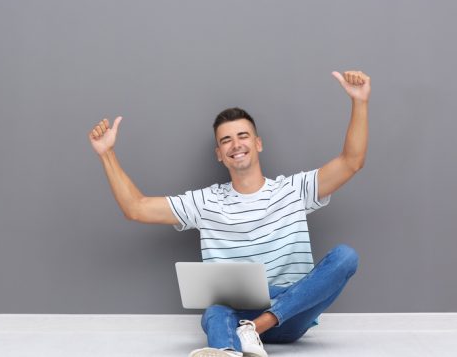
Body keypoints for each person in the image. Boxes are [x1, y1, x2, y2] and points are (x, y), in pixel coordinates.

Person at [88, 71, 370, 357]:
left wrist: (359, 102)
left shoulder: (294, 190)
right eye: (226, 141)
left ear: (258, 143)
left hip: (291, 312)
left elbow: (351, 162)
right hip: (235, 312)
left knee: (345, 257)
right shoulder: (205, 202)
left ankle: (255, 328)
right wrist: (107, 154)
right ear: (219, 154)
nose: (236, 145)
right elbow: (136, 208)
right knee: (215, 310)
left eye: (243, 136)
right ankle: (227, 350)